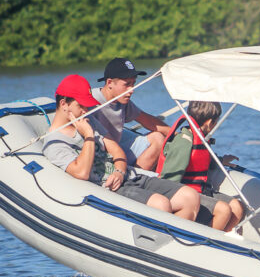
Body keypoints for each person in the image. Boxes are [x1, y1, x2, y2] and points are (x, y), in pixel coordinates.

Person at [43, 74, 200, 221]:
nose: (85, 110)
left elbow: (117, 150)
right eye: (81, 106)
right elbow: (82, 172)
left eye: (87, 106)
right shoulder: (54, 143)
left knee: (190, 197)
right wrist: (89, 136)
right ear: (63, 104)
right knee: (162, 205)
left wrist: (119, 171)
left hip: (128, 176)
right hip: (109, 189)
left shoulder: (88, 119)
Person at [157, 101, 244, 232]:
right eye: (216, 123)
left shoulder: (201, 139)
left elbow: (203, 159)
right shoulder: (184, 142)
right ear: (209, 123)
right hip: (186, 196)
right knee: (223, 210)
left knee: (236, 207)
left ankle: (220, 242)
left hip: (201, 191)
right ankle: (206, 243)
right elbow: (169, 180)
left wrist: (221, 160)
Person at [90, 57, 169, 171]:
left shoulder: (122, 102)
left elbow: (148, 121)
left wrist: (175, 134)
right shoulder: (90, 101)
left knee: (158, 138)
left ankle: (137, 176)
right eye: (127, 84)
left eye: (133, 84)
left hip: (117, 147)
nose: (131, 89)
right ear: (110, 83)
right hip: (100, 154)